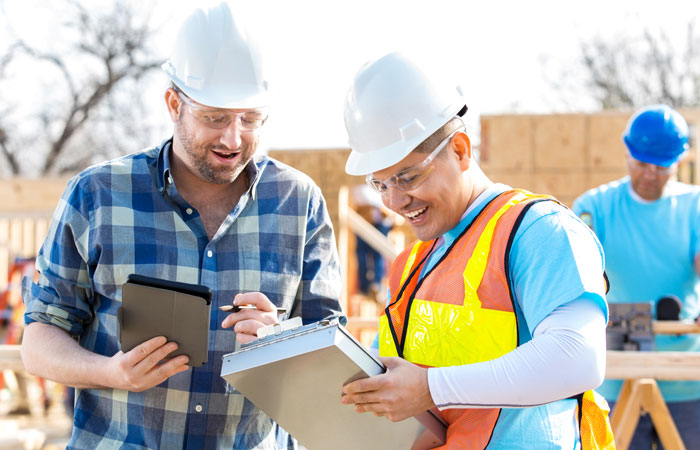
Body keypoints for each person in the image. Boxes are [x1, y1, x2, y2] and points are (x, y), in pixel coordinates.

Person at [20, 3, 343, 449]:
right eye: (215, 118)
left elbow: (333, 350)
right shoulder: (96, 195)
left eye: (250, 120)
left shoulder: (298, 202)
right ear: (174, 104)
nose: (233, 139)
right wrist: (110, 372)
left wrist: (282, 339)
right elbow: (39, 340)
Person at [338, 51, 614, 449]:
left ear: (461, 150)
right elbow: (405, 403)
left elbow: (577, 357)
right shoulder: (411, 265)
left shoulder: (537, 231)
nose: (395, 202)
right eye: (381, 184)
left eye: (407, 177)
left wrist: (431, 387)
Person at [573, 104, 700, 449]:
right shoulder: (594, 207)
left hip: (685, 372)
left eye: (661, 167)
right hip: (614, 372)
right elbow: (577, 272)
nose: (650, 174)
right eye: (642, 164)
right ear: (628, 153)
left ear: (678, 161)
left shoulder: (694, 206)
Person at [351, 184, 393, 300]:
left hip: (379, 221)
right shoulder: (363, 187)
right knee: (364, 254)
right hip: (365, 220)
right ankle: (367, 286)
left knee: (376, 253)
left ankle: (375, 284)